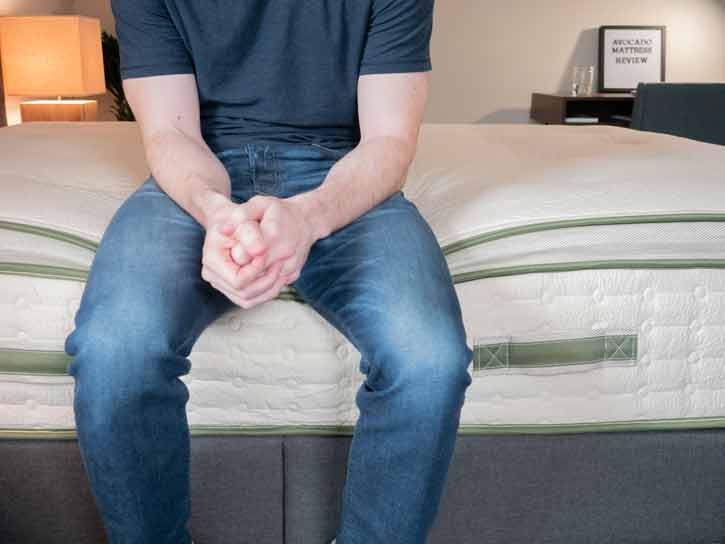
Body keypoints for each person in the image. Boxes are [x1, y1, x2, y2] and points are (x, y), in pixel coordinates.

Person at [64, 1, 474, 542]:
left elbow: (390, 142)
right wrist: (217, 213)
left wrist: (310, 216)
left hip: (342, 173)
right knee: (114, 349)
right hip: (202, 171)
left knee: (430, 360)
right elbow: (170, 134)